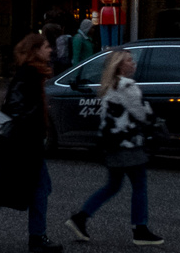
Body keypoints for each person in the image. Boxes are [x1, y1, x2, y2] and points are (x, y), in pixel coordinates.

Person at [0, 33, 62, 253]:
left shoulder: (31, 73)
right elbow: (19, 109)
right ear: (35, 50)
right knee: (38, 188)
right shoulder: (29, 74)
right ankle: (37, 237)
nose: (50, 50)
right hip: (24, 146)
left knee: (8, 189)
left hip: (21, 144)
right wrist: (34, 133)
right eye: (46, 47)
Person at [66, 49, 164, 247]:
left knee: (113, 185)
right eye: (129, 60)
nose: (133, 63)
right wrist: (157, 123)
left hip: (111, 144)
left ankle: (81, 217)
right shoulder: (128, 86)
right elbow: (141, 114)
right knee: (139, 186)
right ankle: (140, 229)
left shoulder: (110, 86)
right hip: (128, 144)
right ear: (120, 65)